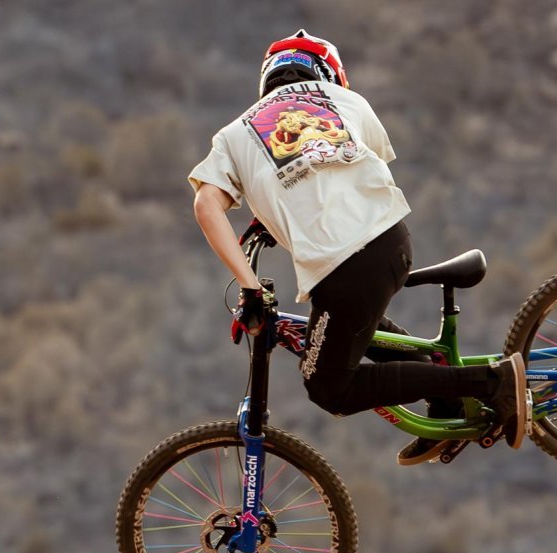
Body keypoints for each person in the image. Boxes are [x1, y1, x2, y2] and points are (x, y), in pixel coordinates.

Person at [185, 30, 528, 465]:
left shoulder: (234, 134)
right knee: (353, 329)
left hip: (343, 267)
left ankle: (490, 383)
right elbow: (350, 171)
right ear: (328, 73)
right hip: (390, 241)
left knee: (328, 386)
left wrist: (250, 287)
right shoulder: (350, 102)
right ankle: (448, 401)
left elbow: (206, 205)